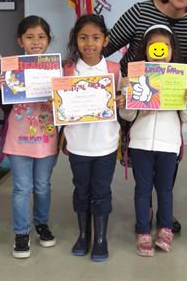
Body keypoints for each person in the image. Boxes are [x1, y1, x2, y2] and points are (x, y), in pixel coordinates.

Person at [106, 0, 187, 233]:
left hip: (171, 103)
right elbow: (106, 45)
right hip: (136, 96)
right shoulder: (140, 11)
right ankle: (147, 209)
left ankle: (163, 211)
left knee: (168, 155)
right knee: (139, 158)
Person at [119, 25, 187, 257]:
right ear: (146, 50)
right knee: (142, 189)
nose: (160, 51)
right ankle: (143, 230)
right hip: (140, 144)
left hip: (169, 143)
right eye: (154, 47)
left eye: (164, 47)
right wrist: (125, 102)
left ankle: (165, 229)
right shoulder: (135, 77)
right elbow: (128, 116)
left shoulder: (180, 78)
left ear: (172, 50)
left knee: (165, 190)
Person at [0, 16, 58, 259]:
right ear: (20, 40)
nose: (35, 42)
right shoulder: (9, 67)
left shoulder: (56, 69)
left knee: (42, 186)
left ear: (48, 40)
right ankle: (21, 232)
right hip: (18, 138)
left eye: (41, 37)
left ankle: (41, 223)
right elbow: (4, 106)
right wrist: (2, 86)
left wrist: (60, 95)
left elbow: (65, 106)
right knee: (22, 188)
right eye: (29, 37)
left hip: (46, 137)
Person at [62, 14, 123, 262]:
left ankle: (100, 238)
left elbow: (125, 104)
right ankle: (84, 234)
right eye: (83, 37)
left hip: (106, 143)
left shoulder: (115, 70)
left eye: (96, 38)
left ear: (105, 40)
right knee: (81, 190)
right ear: (76, 40)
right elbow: (60, 104)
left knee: (101, 190)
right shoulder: (67, 69)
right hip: (77, 143)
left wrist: (122, 100)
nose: (90, 43)